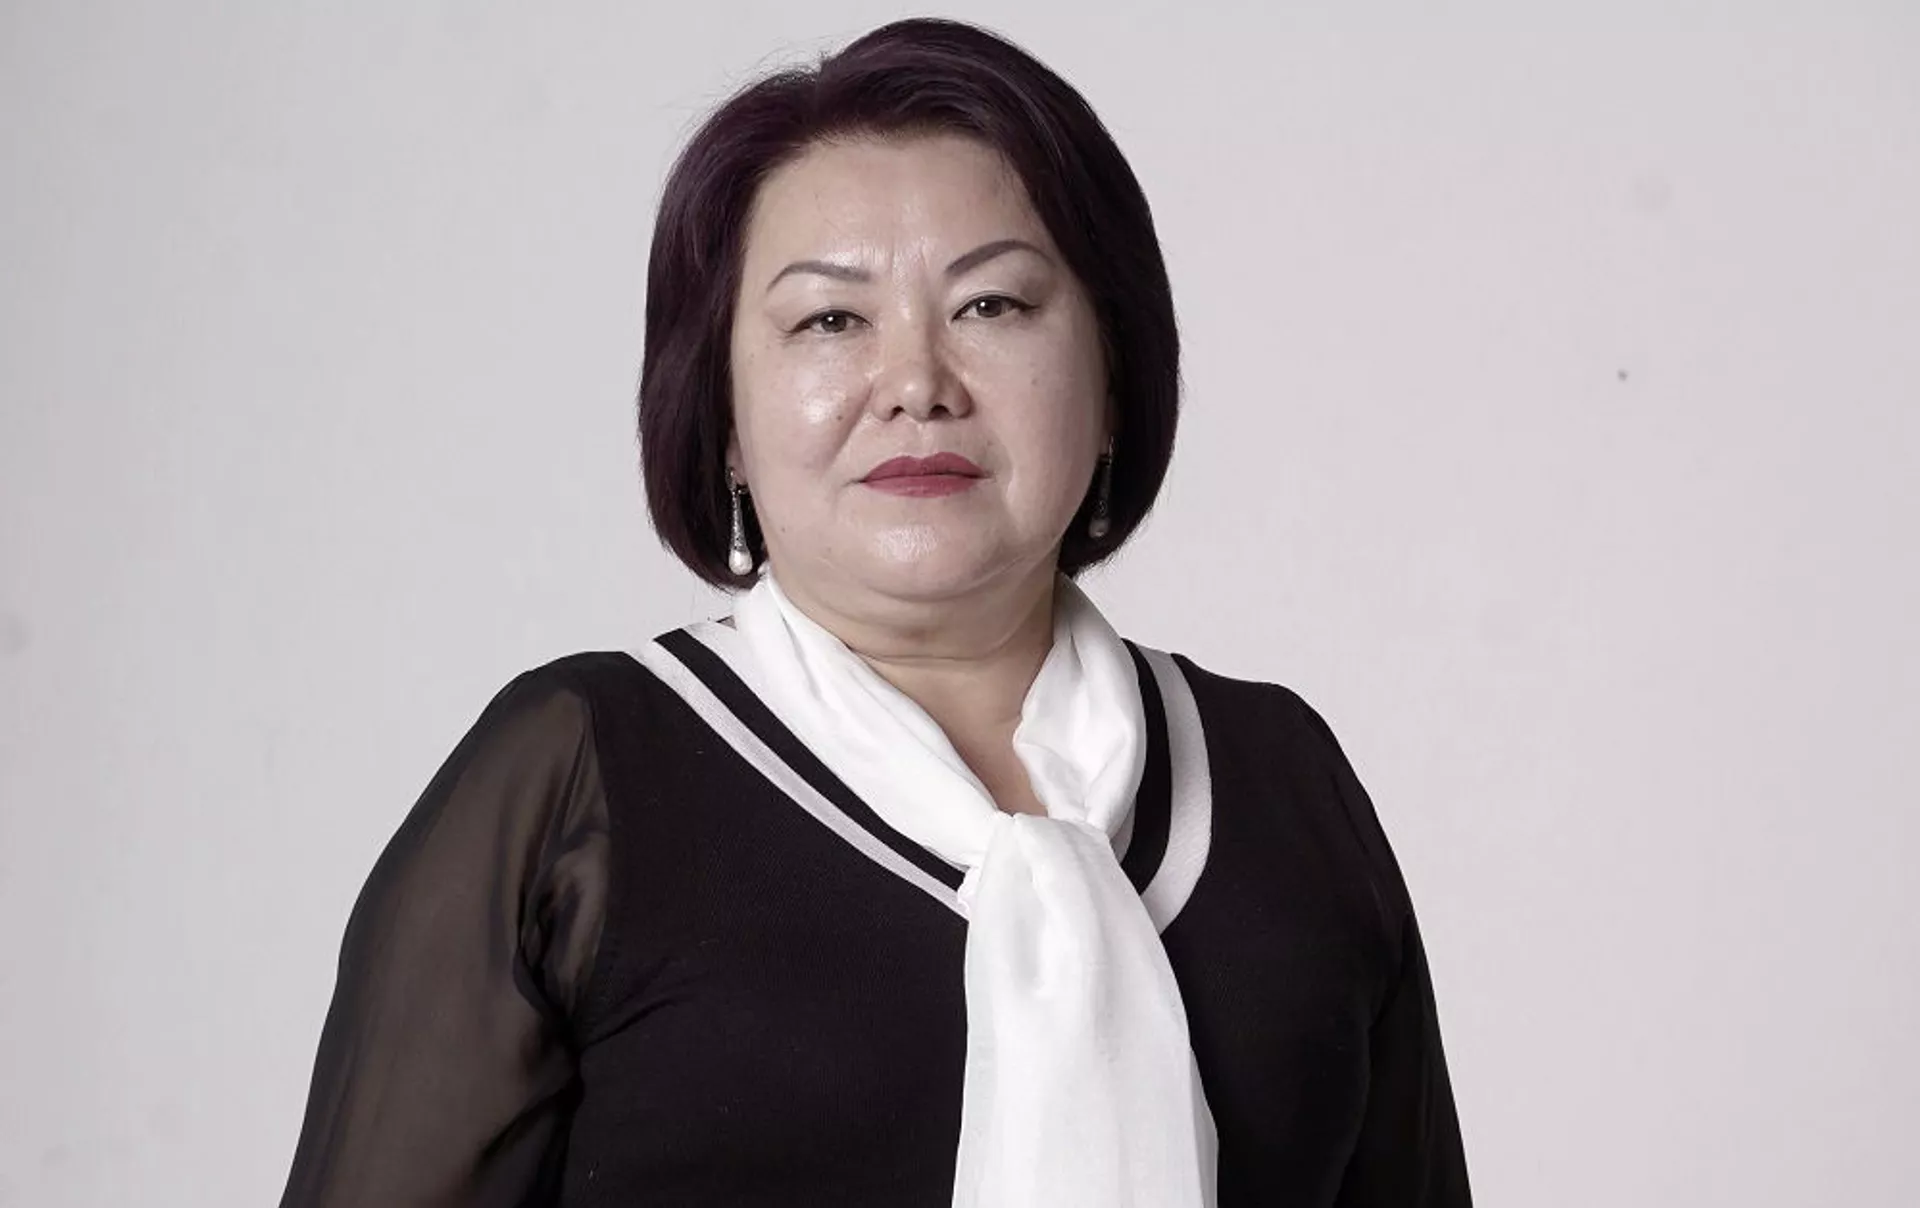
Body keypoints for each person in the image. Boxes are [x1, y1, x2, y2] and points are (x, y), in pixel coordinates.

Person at [277, 17, 1470, 1208]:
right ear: (724, 420)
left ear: (1113, 379)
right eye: (829, 320)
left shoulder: (1278, 777)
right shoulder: (578, 779)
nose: (916, 384)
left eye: (993, 305)